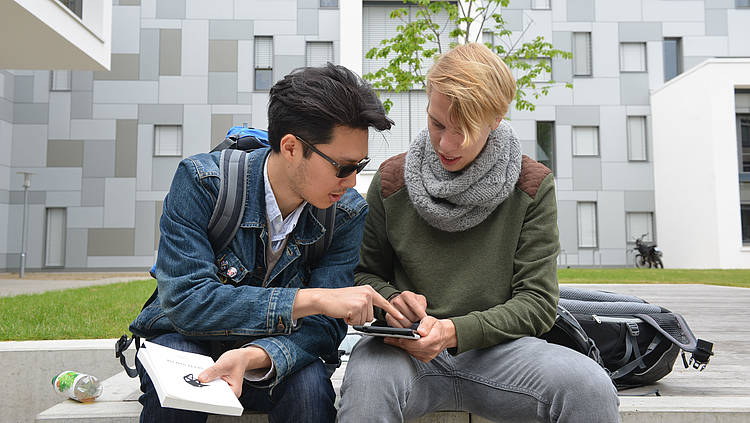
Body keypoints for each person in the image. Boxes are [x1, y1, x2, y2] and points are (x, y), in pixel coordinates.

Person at [338, 43, 620, 422]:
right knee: (366, 388)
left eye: (464, 130)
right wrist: (393, 301)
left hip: (504, 353)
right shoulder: (391, 181)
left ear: (496, 119)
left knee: (591, 387)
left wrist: (454, 330)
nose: (446, 143)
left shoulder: (532, 186)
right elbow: (364, 274)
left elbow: (537, 304)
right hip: (402, 354)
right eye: (437, 123)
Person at [129, 63, 403, 423]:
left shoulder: (347, 213)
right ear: (290, 147)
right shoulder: (202, 183)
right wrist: (313, 298)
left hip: (274, 350)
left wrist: (256, 355)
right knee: (179, 391)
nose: (352, 182)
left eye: (360, 165)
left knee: (310, 391)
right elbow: (187, 301)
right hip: (187, 337)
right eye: (342, 167)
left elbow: (323, 328)